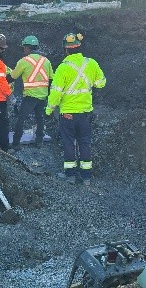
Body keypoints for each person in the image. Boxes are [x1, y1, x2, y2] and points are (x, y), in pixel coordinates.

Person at [45, 31, 106, 185]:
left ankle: (70, 175)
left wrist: (49, 110)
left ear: (66, 49)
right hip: (85, 113)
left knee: (69, 143)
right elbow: (101, 83)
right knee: (85, 142)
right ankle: (86, 176)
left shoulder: (62, 68)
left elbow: (55, 93)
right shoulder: (91, 63)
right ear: (79, 47)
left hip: (68, 114)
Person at [9, 35, 53, 151]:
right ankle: (39, 141)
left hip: (30, 96)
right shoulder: (46, 61)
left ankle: (15, 144)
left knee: (21, 119)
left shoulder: (24, 61)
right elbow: (51, 79)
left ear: (27, 48)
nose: (24, 50)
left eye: (24, 47)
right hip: (43, 96)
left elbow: (12, 77)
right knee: (40, 118)